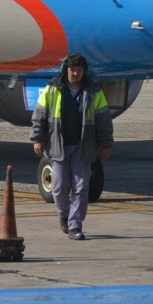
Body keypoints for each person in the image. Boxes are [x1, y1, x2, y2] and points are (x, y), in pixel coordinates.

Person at [29, 53, 113, 241]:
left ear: (84, 71)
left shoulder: (94, 91)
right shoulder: (52, 89)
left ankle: (75, 225)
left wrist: (106, 145)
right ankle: (64, 215)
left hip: (83, 147)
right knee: (59, 187)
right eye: (72, 70)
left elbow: (104, 120)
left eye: (79, 70)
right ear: (66, 70)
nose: (75, 73)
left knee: (81, 188)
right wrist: (37, 139)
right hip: (58, 147)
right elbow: (39, 115)